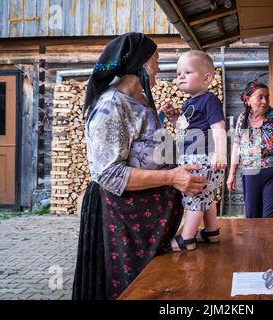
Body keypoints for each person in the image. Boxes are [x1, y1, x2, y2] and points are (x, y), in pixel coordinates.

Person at [72, 33, 207, 300]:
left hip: (146, 227)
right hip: (121, 226)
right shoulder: (111, 107)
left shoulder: (142, 102)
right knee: (131, 291)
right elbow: (108, 173)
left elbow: (148, 150)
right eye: (156, 60)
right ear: (142, 63)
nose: (158, 67)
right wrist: (171, 177)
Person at [161, 50, 227, 251]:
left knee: (194, 194)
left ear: (207, 78)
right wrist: (173, 118)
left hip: (203, 158)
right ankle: (212, 231)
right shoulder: (189, 103)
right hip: (195, 156)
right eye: (178, 72)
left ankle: (187, 238)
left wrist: (221, 153)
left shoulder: (209, 100)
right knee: (206, 195)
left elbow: (219, 128)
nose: (180, 76)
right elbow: (183, 128)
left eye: (187, 72)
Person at [227, 81, 273, 218]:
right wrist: (232, 174)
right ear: (247, 99)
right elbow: (237, 146)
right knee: (252, 217)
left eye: (267, 97)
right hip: (250, 173)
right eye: (260, 97)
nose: (265, 101)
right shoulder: (242, 118)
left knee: (270, 217)